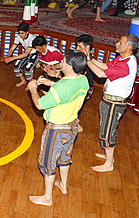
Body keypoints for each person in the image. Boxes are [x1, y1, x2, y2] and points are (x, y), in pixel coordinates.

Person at [27, 49, 89, 206]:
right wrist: (51, 83)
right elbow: (69, 88)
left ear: (68, 65)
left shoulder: (60, 88)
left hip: (56, 130)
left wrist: (34, 88)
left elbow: (39, 105)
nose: (60, 62)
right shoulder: (83, 80)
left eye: (63, 61)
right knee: (64, 158)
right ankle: (63, 186)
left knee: (48, 162)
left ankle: (47, 198)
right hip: (72, 126)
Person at [84, 34, 138, 172]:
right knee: (106, 128)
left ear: (129, 47)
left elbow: (101, 74)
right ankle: (109, 156)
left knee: (108, 132)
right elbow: (103, 66)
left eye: (120, 42)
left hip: (114, 104)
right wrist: (89, 57)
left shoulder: (126, 64)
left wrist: (87, 57)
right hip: (109, 101)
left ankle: (109, 164)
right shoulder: (122, 59)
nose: (117, 44)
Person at [4, 22, 38, 87]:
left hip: (33, 54)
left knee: (28, 70)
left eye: (22, 33)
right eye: (19, 33)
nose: (20, 35)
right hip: (25, 53)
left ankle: (31, 85)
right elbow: (12, 49)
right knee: (16, 68)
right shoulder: (18, 37)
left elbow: (26, 53)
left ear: (27, 32)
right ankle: (23, 81)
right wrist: (7, 57)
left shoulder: (32, 38)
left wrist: (12, 58)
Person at [75, 34, 95, 100]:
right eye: (77, 46)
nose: (77, 48)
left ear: (87, 47)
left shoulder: (89, 62)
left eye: (80, 46)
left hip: (84, 88)